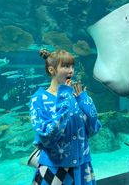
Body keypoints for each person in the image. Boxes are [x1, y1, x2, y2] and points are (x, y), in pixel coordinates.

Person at [29, 49, 101, 185]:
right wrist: (64, 99)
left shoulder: (74, 96)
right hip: (54, 169)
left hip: (82, 166)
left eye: (72, 66)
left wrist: (85, 101)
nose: (71, 71)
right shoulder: (38, 99)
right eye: (65, 66)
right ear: (52, 69)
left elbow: (93, 130)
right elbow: (48, 137)